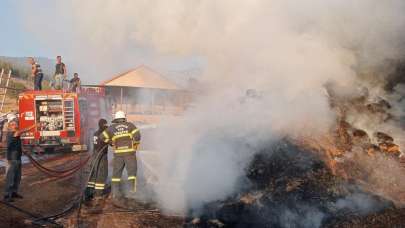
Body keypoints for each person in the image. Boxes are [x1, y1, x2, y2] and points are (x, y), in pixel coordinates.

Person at [100, 111, 140, 201]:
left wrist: (110, 142)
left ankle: (115, 193)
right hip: (130, 154)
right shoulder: (130, 125)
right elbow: (137, 136)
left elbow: (101, 136)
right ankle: (132, 192)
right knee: (132, 174)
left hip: (118, 154)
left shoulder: (112, 128)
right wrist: (135, 145)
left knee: (116, 175)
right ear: (124, 118)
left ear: (116, 119)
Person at [3, 115, 35, 202]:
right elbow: (23, 131)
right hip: (12, 159)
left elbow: (18, 144)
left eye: (16, 124)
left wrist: (23, 150)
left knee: (17, 177)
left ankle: (14, 192)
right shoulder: (12, 133)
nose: (16, 125)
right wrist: (34, 126)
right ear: (10, 127)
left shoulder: (16, 134)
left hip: (17, 157)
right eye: (13, 124)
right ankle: (7, 195)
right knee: (11, 177)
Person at [85, 119, 109, 202]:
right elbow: (111, 143)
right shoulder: (104, 134)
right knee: (101, 174)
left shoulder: (95, 133)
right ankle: (98, 194)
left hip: (94, 155)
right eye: (106, 125)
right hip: (101, 156)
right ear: (104, 125)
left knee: (93, 174)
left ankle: (89, 193)